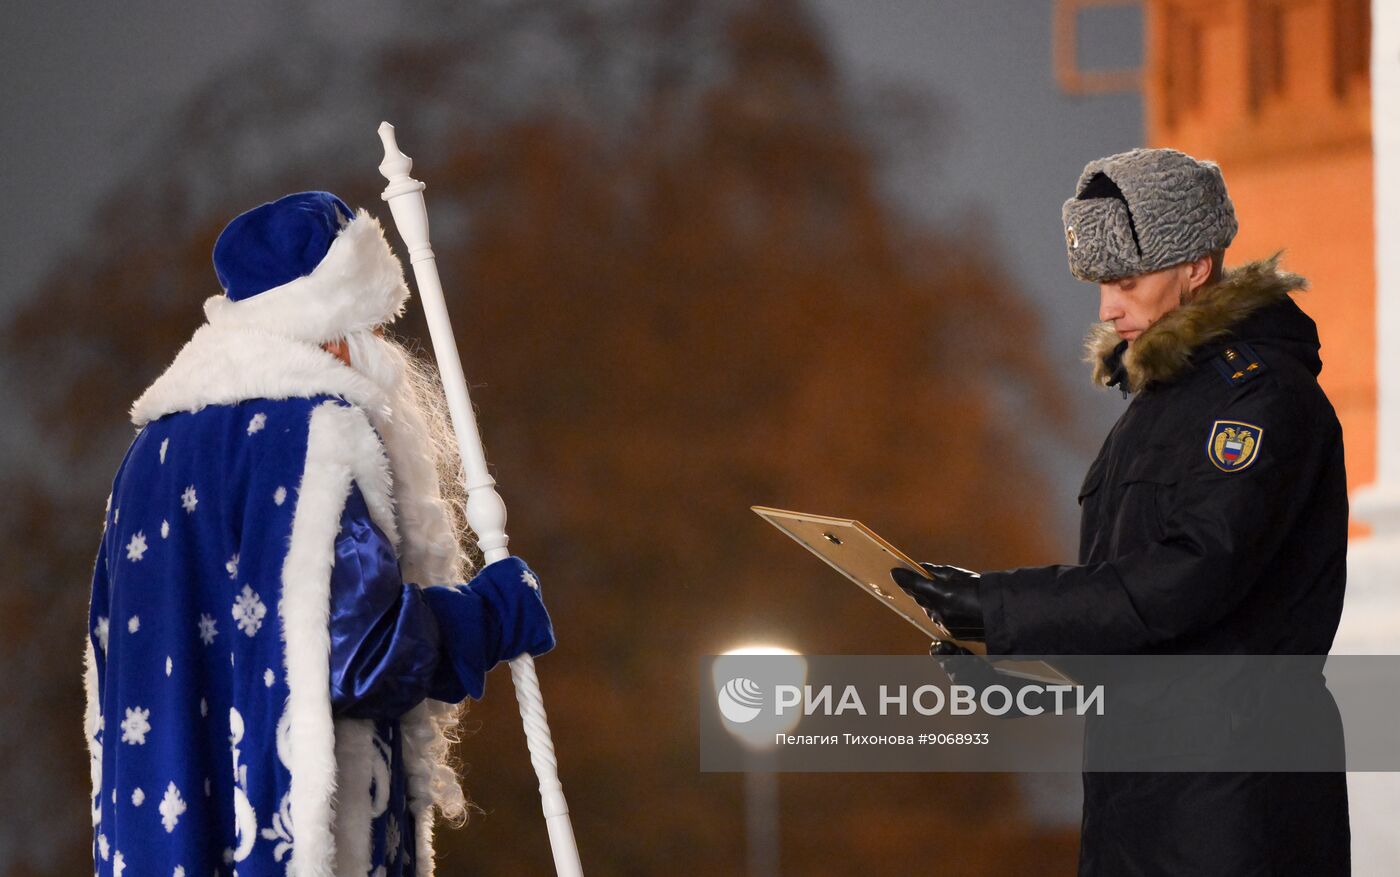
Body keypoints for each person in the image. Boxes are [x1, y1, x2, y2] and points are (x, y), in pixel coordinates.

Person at [891, 148, 1350, 875]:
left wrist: (999, 603)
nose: (1107, 306)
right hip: (1136, 809)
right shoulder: (1151, 414)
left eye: (1126, 280)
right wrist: (1026, 676)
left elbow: (1190, 579)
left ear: (1195, 266)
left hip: (1235, 809)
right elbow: (1147, 631)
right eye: (1102, 282)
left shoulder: (1263, 401)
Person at [84, 191, 556, 876]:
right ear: (339, 330)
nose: (387, 351)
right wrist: (489, 614)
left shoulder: (147, 456)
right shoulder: (314, 433)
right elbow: (362, 653)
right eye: (378, 329)